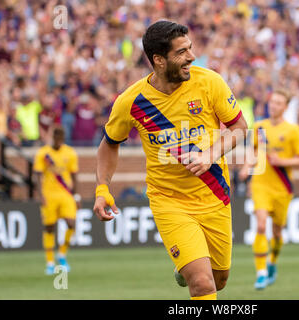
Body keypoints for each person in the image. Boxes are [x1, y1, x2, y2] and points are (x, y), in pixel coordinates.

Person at [93, 21, 247, 300]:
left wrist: (209, 154)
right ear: (159, 61)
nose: (191, 57)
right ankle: (191, 267)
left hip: (214, 195)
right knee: (202, 284)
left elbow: (239, 128)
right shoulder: (131, 101)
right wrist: (102, 188)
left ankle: (186, 267)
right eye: (182, 52)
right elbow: (109, 144)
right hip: (169, 201)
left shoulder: (210, 82)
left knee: (219, 280)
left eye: (190, 49)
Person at [239, 89, 299, 290]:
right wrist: (246, 167)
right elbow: (253, 151)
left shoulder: (293, 130)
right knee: (261, 226)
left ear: (285, 107)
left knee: (277, 232)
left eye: (278, 103)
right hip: (261, 184)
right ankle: (260, 273)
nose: (273, 105)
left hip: (282, 187)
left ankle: (272, 262)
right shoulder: (260, 127)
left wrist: (283, 161)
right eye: (272, 102)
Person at [33, 127, 81, 275]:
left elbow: (74, 175)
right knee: (49, 227)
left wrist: (76, 195)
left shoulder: (70, 153)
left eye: (61, 139)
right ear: (52, 137)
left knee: (71, 223)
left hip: (66, 194)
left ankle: (62, 254)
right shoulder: (43, 153)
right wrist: (40, 194)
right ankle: (49, 262)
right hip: (49, 194)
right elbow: (37, 175)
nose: (59, 141)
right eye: (56, 138)